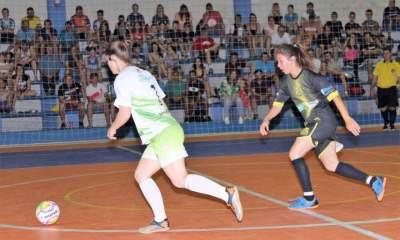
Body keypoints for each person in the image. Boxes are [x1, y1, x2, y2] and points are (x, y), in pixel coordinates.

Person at [105, 40, 243, 233]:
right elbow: (161, 101)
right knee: (142, 175)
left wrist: (113, 128)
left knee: (180, 180)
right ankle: (161, 221)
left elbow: (125, 112)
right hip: (164, 130)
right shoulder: (144, 73)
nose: (108, 66)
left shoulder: (121, 79)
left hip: (162, 133)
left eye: (108, 61)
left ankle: (226, 193)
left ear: (114, 59)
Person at [259, 43, 386, 209]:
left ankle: (309, 198)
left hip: (323, 120)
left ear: (292, 59)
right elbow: (277, 106)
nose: (278, 65)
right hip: (315, 124)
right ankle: (373, 181)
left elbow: (335, 97)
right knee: (332, 165)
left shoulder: (312, 77)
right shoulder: (285, 83)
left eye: (281, 61)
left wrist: (347, 119)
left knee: (294, 153)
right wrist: (266, 119)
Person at [371, 48, 399, 131]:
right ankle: (386, 123)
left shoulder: (396, 65)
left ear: (391, 54)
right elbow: (375, 77)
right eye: (384, 53)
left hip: (392, 88)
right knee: (383, 108)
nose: (385, 55)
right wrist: (372, 88)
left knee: (392, 108)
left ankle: (392, 125)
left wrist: (394, 81)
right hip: (381, 89)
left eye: (387, 53)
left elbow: (399, 77)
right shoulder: (379, 64)